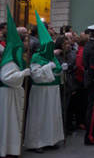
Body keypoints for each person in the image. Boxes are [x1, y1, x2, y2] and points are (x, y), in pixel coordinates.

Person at [24, 11, 65, 154]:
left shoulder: (52, 57)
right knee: (39, 116)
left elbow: (57, 71)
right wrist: (50, 67)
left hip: (52, 90)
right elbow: (36, 75)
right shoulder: (36, 57)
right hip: (41, 91)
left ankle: (51, 139)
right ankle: (36, 142)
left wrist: (60, 68)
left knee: (52, 116)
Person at [0, 6, 31, 157]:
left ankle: (12, 148)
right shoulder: (9, 61)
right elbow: (6, 78)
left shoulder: (14, 60)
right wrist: (22, 73)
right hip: (8, 94)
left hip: (13, 93)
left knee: (13, 123)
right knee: (8, 123)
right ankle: (6, 149)